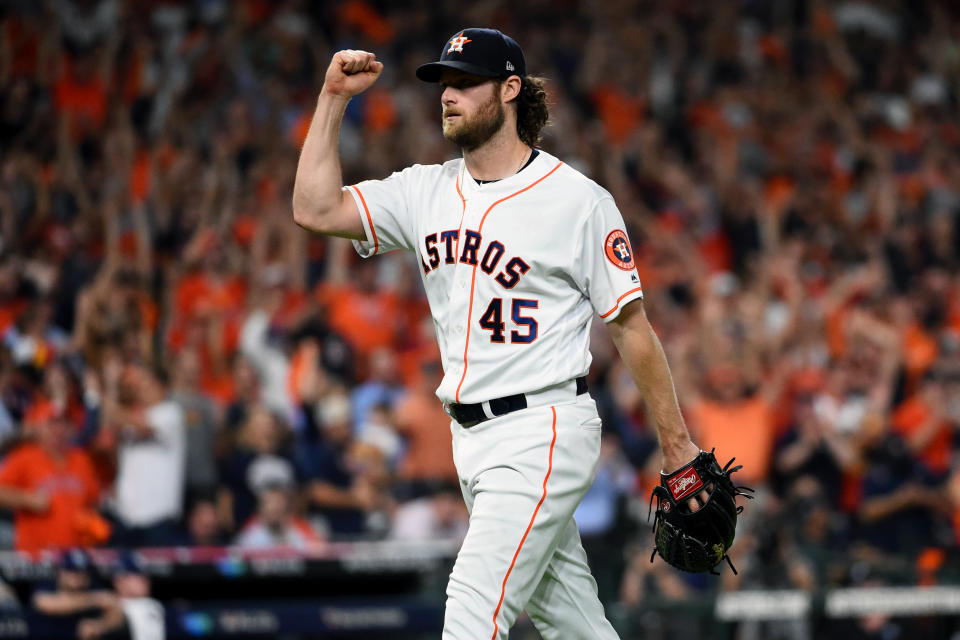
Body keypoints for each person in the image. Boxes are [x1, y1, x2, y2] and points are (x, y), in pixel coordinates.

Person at [293, 28, 704, 639]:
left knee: (471, 607)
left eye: (465, 82)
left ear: (511, 89)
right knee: (575, 624)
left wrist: (676, 447)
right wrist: (331, 100)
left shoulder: (577, 200)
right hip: (473, 443)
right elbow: (316, 209)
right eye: (443, 83)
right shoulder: (423, 190)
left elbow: (632, 329)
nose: (448, 95)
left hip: (544, 430)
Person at [0, 401, 103, 552]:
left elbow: (93, 501)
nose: (58, 429)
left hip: (76, 556)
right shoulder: (24, 457)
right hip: (36, 557)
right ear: (38, 428)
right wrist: (26, 498)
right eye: (52, 423)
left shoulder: (81, 459)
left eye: (64, 423)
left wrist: (91, 534)